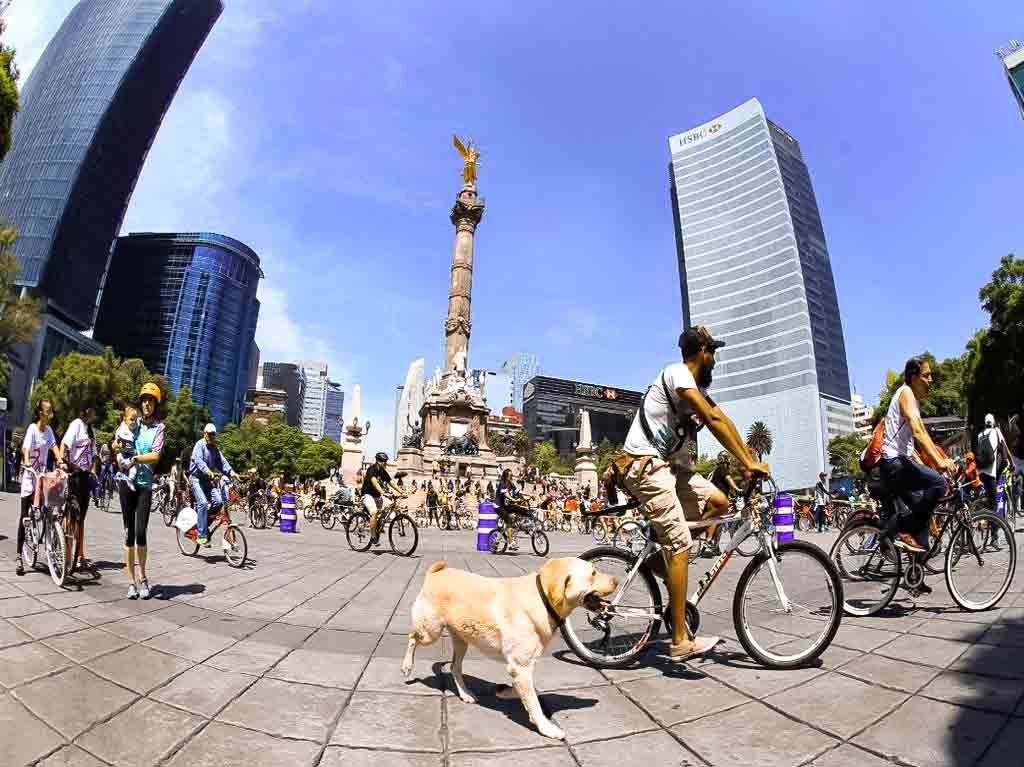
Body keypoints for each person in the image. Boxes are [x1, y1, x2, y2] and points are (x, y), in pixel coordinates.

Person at [617, 325, 769, 661]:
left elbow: (722, 418)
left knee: (719, 501)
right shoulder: (677, 374)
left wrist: (749, 459)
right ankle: (679, 642)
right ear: (702, 352)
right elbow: (712, 420)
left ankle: (671, 561)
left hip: (669, 469)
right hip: (644, 465)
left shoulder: (694, 388)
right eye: (713, 352)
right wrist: (748, 462)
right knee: (681, 544)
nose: (715, 360)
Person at [878, 357, 955, 563]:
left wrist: (936, 460)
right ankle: (895, 529)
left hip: (899, 463)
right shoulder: (906, 393)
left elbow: (919, 440)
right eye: (926, 375)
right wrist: (939, 464)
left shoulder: (912, 399)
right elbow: (918, 431)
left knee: (924, 514)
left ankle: (914, 575)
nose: (931, 380)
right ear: (913, 377)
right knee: (939, 483)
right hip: (893, 465)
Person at [115, 384, 165, 599]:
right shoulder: (132, 421)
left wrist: (134, 458)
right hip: (126, 483)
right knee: (129, 534)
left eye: (151, 401)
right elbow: (118, 440)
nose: (147, 404)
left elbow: (155, 456)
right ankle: (130, 581)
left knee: (141, 532)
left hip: (144, 485)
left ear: (155, 405)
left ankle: (143, 577)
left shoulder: (159, 428)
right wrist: (116, 446)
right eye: (144, 400)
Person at [15, 400, 60, 576]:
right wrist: (26, 462)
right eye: (48, 411)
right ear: (41, 413)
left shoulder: (48, 431)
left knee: (48, 508)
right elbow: (26, 448)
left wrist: (60, 460)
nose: (51, 415)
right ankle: (19, 555)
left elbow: (54, 447)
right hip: (29, 476)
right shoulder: (33, 429)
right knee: (24, 516)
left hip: (41, 477)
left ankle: (50, 540)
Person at [58, 404, 98, 569]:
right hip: (75, 475)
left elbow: (94, 454)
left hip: (86, 477)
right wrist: (61, 461)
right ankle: (67, 553)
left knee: (81, 518)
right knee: (71, 517)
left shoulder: (90, 430)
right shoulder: (76, 424)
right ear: (86, 410)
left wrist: (94, 470)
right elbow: (65, 444)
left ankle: (80, 555)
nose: (95, 413)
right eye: (93, 409)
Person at [189, 423, 237, 546]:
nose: (211, 436)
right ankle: (201, 534)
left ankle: (204, 523)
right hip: (196, 479)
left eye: (213, 434)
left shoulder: (215, 449)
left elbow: (222, 462)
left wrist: (232, 472)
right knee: (203, 503)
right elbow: (198, 461)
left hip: (207, 481)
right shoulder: (199, 445)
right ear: (204, 434)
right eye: (209, 434)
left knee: (219, 501)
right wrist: (208, 471)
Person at [361, 452, 405, 543]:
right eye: (383, 461)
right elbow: (375, 482)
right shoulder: (371, 469)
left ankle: (379, 524)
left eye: (386, 461)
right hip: (367, 495)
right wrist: (383, 492)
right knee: (374, 512)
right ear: (377, 461)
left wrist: (401, 492)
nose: (385, 463)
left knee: (390, 505)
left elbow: (391, 482)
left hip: (377, 496)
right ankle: (373, 535)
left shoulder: (382, 471)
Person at [977, 413, 1012, 511]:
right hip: (991, 473)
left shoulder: (980, 435)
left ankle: (983, 518)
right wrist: (1011, 464)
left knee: (986, 499)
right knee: (993, 503)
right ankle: (994, 526)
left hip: (981, 472)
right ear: (993, 422)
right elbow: (1005, 451)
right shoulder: (996, 431)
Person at [495, 468, 532, 550]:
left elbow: (518, 491)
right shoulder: (503, 483)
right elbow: (506, 495)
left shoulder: (511, 483)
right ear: (506, 476)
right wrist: (514, 500)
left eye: (512, 475)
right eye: (510, 475)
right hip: (498, 506)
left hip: (506, 506)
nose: (512, 477)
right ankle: (510, 543)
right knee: (508, 520)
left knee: (521, 510)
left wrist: (529, 495)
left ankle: (528, 525)